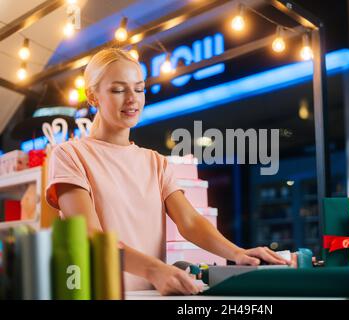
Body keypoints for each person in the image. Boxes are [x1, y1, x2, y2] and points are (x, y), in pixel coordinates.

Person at [45, 48, 294, 296]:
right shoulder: (69, 155)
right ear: (92, 96)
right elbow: (91, 235)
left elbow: (189, 222)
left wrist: (237, 253)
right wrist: (155, 270)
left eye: (139, 88)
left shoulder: (156, 162)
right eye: (119, 90)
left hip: (152, 294)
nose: (132, 98)